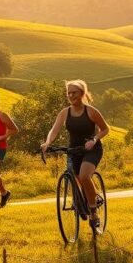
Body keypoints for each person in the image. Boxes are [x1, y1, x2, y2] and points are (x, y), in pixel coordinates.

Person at [41, 80, 110, 235]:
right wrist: (47, 142)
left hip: (91, 149)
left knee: (85, 176)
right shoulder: (65, 112)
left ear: (82, 94)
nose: (71, 95)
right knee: (79, 180)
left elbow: (105, 129)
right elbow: (54, 129)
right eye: (69, 93)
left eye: (75, 92)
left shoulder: (91, 111)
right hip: (74, 150)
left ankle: (93, 213)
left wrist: (94, 140)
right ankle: (87, 198)